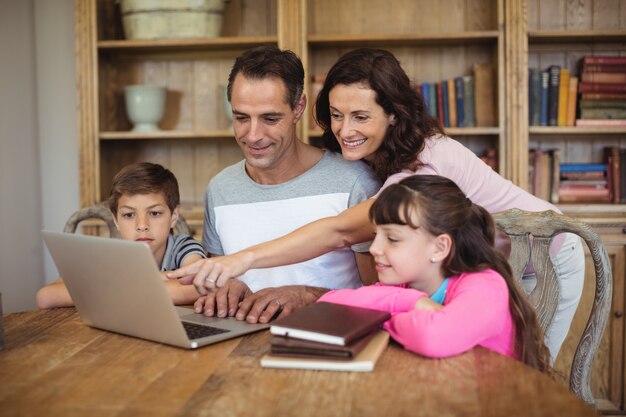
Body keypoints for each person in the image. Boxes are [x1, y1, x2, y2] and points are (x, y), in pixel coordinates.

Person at [169, 48, 584, 360]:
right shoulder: (375, 162)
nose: (344, 130)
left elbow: (340, 229)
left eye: (361, 117)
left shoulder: (423, 165)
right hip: (476, 268)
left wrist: (244, 260)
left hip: (547, 252)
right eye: (335, 114)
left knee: (524, 368)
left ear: (393, 115)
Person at [189, 45, 380, 324]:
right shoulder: (220, 189)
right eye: (241, 117)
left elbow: (381, 295)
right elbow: (219, 278)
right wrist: (225, 290)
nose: (253, 135)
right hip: (237, 347)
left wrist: (308, 295)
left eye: (270, 118)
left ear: (298, 108)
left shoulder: (355, 182)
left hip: (326, 343)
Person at [319, 175, 552, 372]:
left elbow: (434, 337)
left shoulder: (485, 286)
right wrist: (411, 302)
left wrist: (380, 320)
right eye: (375, 235)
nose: (374, 249)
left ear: (440, 247)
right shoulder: (404, 287)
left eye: (392, 238)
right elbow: (328, 305)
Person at [36, 162, 205, 308]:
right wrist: (160, 282)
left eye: (154, 213)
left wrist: (112, 287)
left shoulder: (185, 247)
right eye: (129, 215)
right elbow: (46, 296)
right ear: (116, 220)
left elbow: (196, 287)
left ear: (173, 216)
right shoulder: (110, 255)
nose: (142, 226)